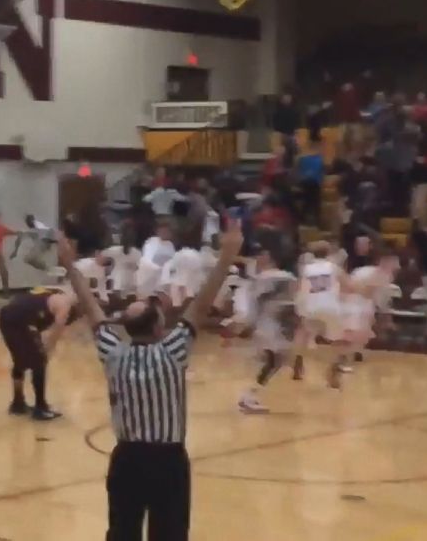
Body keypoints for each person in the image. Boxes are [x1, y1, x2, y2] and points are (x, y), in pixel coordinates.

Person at [57, 221, 242, 541]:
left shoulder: (113, 352)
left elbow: (90, 306)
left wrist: (69, 265)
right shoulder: (173, 350)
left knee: (122, 531)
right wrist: (227, 257)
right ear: (159, 327)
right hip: (167, 460)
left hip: (127, 459)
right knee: (170, 534)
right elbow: (201, 303)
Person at [0, 285, 78, 421]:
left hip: (6, 316)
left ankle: (18, 402)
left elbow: (32, 309)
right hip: (18, 321)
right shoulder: (65, 305)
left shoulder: (52, 294)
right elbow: (56, 331)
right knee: (39, 361)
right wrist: (47, 349)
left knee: (19, 359)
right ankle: (40, 408)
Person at [238, 248, 300, 413]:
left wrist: (249, 323)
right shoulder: (288, 278)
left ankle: (250, 394)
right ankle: (249, 395)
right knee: (274, 361)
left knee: (273, 361)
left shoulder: (258, 279)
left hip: (263, 324)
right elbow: (291, 306)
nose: (259, 258)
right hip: (275, 326)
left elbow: (252, 305)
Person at [296, 241, 350, 388]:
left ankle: (298, 361)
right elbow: (348, 285)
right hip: (330, 307)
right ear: (329, 253)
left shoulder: (306, 269)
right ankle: (333, 372)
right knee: (339, 341)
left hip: (311, 306)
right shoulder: (333, 267)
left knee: (303, 333)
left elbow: (300, 288)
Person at [340, 252, 399, 364]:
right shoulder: (377, 274)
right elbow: (372, 294)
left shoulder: (365, 270)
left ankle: (355, 352)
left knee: (360, 331)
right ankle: (346, 356)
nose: (397, 267)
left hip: (360, 304)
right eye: (394, 264)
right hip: (357, 304)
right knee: (354, 331)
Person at [297, 148, 324, 226]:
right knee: (314, 202)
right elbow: (321, 174)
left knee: (308, 202)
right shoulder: (318, 159)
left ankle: (305, 220)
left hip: (307, 184)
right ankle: (315, 221)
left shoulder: (303, 159)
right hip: (313, 185)